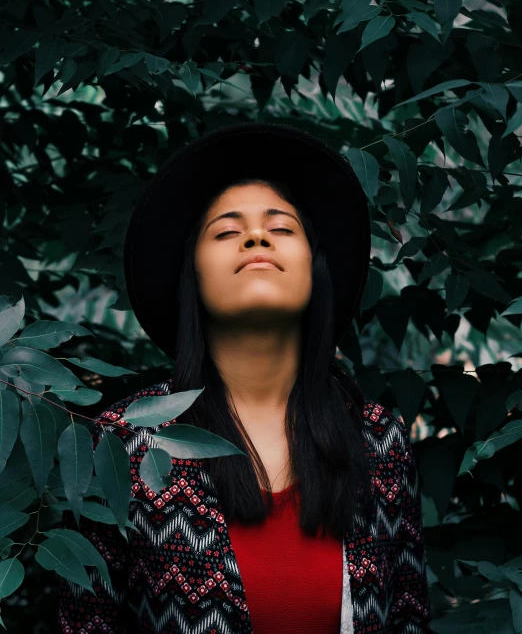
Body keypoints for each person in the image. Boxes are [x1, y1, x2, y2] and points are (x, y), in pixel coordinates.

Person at [57, 121, 432, 633]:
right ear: (193, 274)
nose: (257, 236)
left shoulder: (379, 442)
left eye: (281, 228)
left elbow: (409, 618)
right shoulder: (121, 445)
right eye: (227, 231)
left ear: (313, 268)